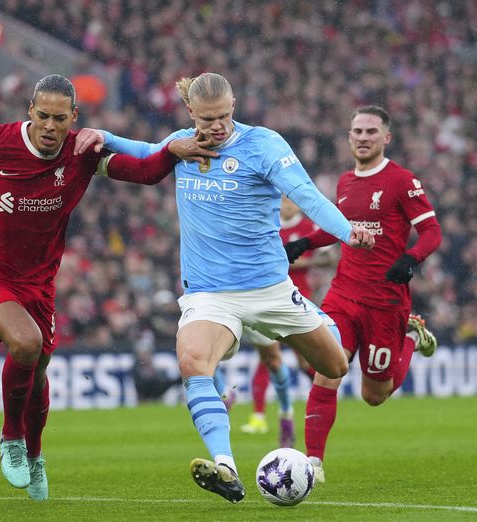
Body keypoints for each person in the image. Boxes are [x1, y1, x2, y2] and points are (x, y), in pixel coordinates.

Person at [0, 74, 216, 501]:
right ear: (30, 111)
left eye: (60, 119)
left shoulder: (82, 152)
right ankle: (10, 438)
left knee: (38, 375)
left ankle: (35, 456)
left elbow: (144, 173)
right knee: (26, 344)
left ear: (74, 117)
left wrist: (173, 151)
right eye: (43, 116)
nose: (51, 127)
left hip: (39, 285)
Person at [74, 72, 375, 503]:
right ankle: (226, 468)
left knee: (336, 364)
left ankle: (318, 318)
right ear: (191, 112)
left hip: (270, 289)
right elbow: (144, 152)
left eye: (223, 117)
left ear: (234, 105)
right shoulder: (183, 144)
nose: (216, 127)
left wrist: (348, 232)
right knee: (193, 360)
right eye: (207, 119)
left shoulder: (264, 145)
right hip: (210, 294)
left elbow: (306, 195)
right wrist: (102, 134)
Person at [284, 105, 442, 484]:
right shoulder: (344, 182)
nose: (363, 137)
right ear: (349, 137)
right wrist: (305, 242)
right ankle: (313, 464)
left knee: (375, 395)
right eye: (357, 131)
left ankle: (408, 339)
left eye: (371, 131)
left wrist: (410, 259)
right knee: (327, 371)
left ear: (386, 137)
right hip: (343, 294)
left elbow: (433, 232)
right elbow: (338, 228)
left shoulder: (402, 181)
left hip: (386, 302)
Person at [239, 196, 337, 448]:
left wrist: (302, 260)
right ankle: (261, 414)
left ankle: (324, 394)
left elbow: (331, 258)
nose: (287, 204)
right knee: (269, 359)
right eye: (282, 199)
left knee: (306, 360)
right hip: (269, 301)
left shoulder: (308, 229)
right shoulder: (267, 223)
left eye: (291, 199)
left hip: (299, 301)